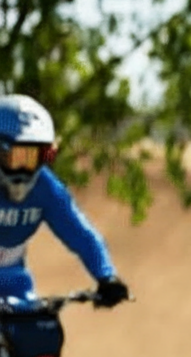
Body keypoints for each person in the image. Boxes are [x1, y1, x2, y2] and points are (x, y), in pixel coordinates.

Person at [0, 95, 129, 307]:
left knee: (40, 334)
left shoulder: (46, 189)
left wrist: (106, 276)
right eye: (14, 157)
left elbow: (81, 235)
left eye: (30, 158)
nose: (22, 169)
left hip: (15, 285)